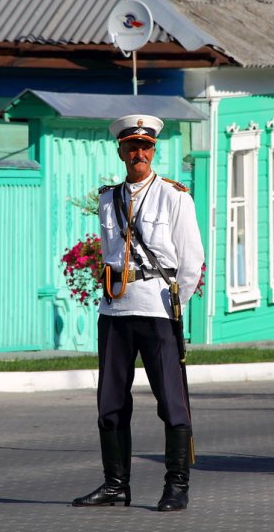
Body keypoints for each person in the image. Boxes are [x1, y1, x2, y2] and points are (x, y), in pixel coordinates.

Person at [72, 113, 205, 513]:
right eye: (132, 147)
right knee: (110, 402)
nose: (139, 154)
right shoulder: (108, 199)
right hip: (115, 310)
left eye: (145, 147)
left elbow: (192, 260)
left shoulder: (174, 196)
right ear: (120, 152)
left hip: (157, 308)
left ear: (154, 150)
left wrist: (176, 302)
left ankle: (176, 486)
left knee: (171, 402)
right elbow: (112, 253)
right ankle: (115, 485)